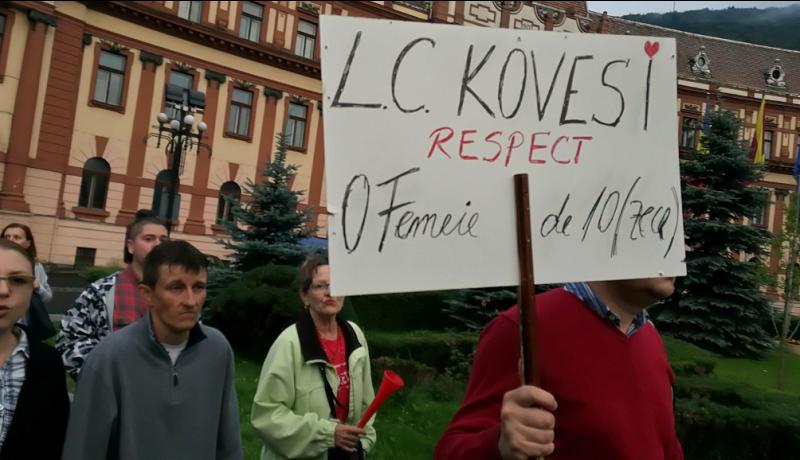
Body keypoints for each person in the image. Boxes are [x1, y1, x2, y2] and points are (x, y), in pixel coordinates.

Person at [435, 278, 684, 460]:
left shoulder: (650, 338)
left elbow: (667, 446)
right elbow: (451, 450)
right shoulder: (523, 327)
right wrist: (499, 445)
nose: (678, 249)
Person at [61, 240, 243, 460]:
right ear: (147, 294)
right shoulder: (109, 357)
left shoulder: (217, 349)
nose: (190, 301)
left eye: (198, 287)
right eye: (176, 288)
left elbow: (229, 442)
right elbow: (84, 448)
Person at [251, 255, 377, 460]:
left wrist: (362, 446)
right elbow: (267, 415)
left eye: (336, 285)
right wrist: (328, 435)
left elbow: (367, 403)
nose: (330, 292)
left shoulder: (355, 335)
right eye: (320, 286)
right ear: (304, 295)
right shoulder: (289, 343)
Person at [56, 211, 168, 378]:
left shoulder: (178, 291)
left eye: (163, 240)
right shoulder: (102, 291)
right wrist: (105, 374)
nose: (157, 245)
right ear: (131, 246)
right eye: (149, 239)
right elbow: (69, 341)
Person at [0, 239, 70, 460]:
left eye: (18, 280)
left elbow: (54, 442)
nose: (3, 290)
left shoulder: (48, 364)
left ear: (32, 289)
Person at [1, 223, 52, 303]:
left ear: (28, 243)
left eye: (16, 237)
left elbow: (48, 297)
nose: (11, 240)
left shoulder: (36, 266)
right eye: (7, 237)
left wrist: (38, 287)